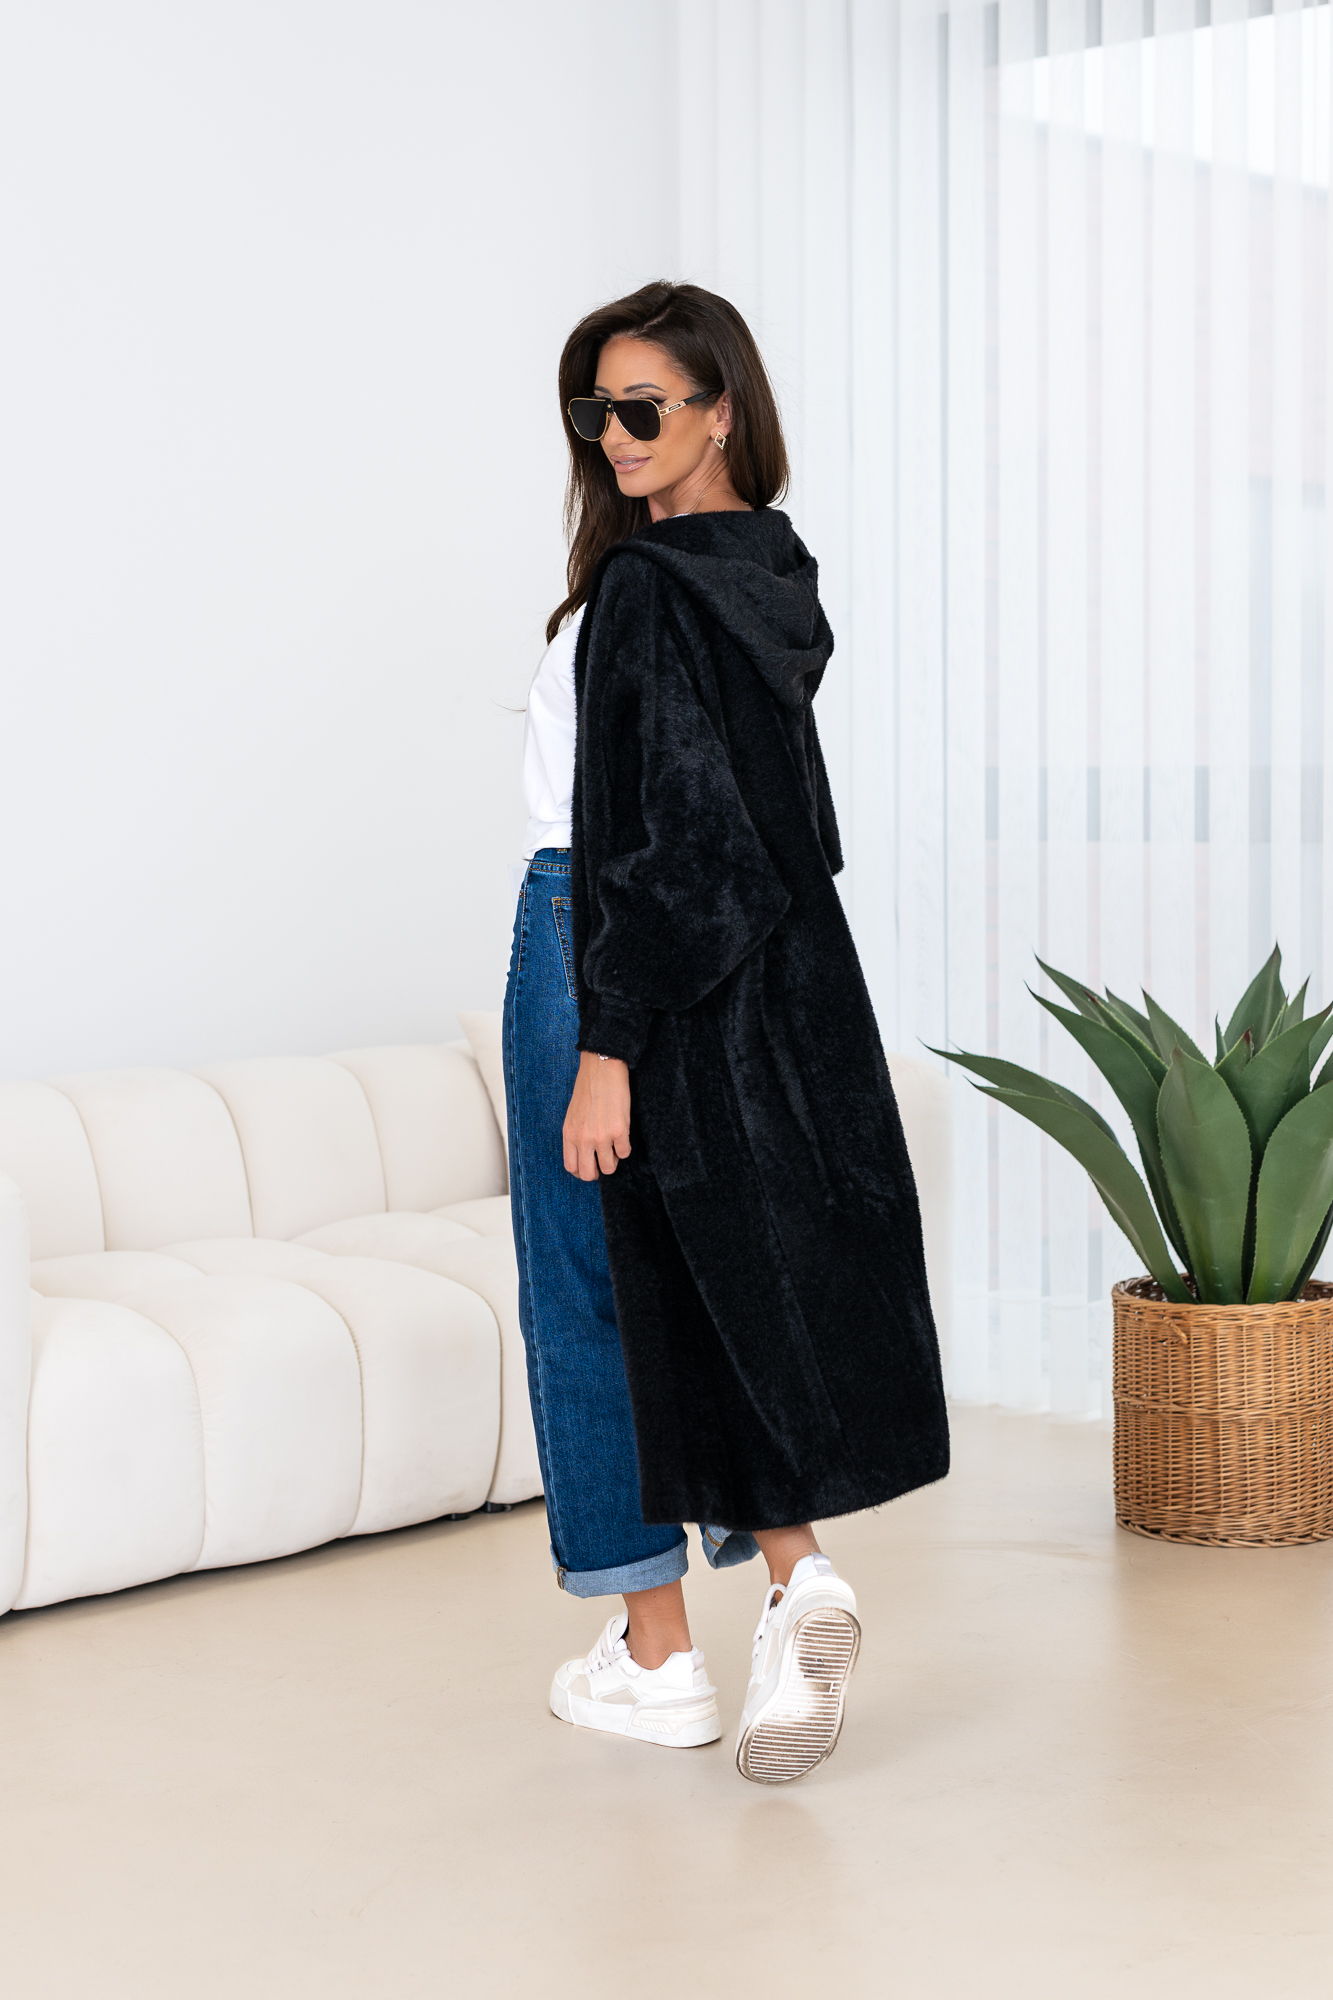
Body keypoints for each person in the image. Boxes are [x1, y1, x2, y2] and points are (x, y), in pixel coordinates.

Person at [502, 281, 948, 1785]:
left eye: (644, 408)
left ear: (721, 411)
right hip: (723, 964)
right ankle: (795, 1578)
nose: (614, 436)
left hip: (595, 943)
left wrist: (604, 1044)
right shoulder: (767, 574)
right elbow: (770, 834)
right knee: (697, 1272)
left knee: (584, 1297)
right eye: (594, 412)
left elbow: (654, 835)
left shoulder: (643, 590)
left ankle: (654, 1662)